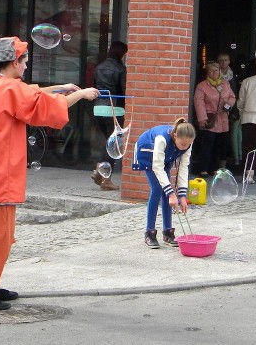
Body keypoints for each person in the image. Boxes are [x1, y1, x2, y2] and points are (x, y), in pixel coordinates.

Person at [0, 37, 98, 312]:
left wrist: (60, 87)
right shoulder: (10, 88)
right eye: (25, 61)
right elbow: (45, 107)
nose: (27, 66)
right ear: (15, 61)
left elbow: (28, 93)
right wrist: (81, 95)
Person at [132, 118, 196, 248]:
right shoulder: (162, 139)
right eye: (182, 144)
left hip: (165, 157)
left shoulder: (188, 142)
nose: (184, 147)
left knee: (167, 193)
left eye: (187, 145)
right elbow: (157, 167)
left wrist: (182, 196)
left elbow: (183, 167)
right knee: (157, 189)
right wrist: (172, 194)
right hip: (148, 152)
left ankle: (168, 232)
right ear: (175, 135)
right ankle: (149, 233)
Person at [90, 40, 128, 191]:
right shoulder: (120, 69)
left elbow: (94, 86)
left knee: (108, 141)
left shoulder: (98, 67)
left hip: (98, 108)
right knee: (114, 144)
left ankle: (99, 171)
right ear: (121, 53)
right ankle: (105, 178)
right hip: (114, 109)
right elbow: (123, 91)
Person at [193, 61, 236, 175]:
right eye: (211, 70)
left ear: (220, 72)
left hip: (223, 119)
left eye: (216, 70)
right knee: (207, 144)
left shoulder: (225, 84)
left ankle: (214, 168)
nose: (214, 72)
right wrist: (202, 118)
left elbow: (232, 97)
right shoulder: (202, 86)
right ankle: (203, 168)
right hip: (209, 119)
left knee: (219, 145)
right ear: (207, 72)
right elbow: (199, 103)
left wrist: (228, 105)